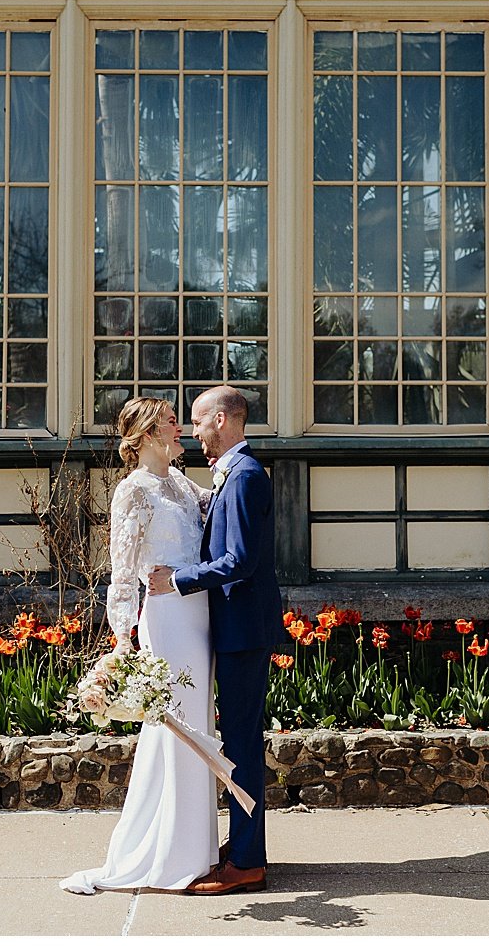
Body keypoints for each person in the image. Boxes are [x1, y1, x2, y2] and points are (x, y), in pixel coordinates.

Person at [59, 396, 217, 895]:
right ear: (148, 434)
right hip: (165, 619)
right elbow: (122, 572)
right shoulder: (133, 491)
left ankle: (195, 849)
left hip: (198, 612)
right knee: (176, 727)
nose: (179, 426)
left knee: (195, 722)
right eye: (171, 420)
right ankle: (169, 857)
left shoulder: (183, 485)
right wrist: (123, 638)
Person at [147, 384, 288, 896]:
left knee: (243, 745)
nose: (193, 431)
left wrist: (179, 580)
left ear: (224, 420)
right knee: (237, 741)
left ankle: (248, 861)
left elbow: (240, 561)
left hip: (243, 632)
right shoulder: (230, 475)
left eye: (199, 421)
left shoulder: (246, 476)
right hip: (232, 629)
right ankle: (245, 842)